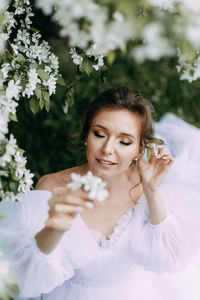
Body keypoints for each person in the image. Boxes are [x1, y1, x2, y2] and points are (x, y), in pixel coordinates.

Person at [1, 87, 200, 300]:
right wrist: (57, 225)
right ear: (86, 134)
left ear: (139, 150)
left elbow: (169, 258)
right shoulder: (52, 186)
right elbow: (27, 272)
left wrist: (151, 190)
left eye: (124, 141)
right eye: (100, 134)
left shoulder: (143, 186)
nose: (107, 148)